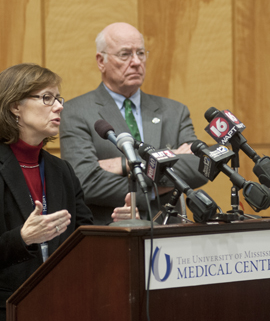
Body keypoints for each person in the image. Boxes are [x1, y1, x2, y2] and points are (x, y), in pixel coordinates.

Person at [0, 63, 136, 321]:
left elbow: (80, 241)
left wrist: (116, 227)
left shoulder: (60, 170)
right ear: (15, 106)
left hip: (56, 312)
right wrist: (23, 238)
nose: (59, 106)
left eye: (58, 98)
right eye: (47, 98)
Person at [59, 22, 208, 224]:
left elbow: (200, 167)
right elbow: (85, 182)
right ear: (101, 61)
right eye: (125, 54)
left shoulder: (174, 111)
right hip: (112, 233)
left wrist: (123, 165)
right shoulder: (76, 112)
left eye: (141, 53)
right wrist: (166, 174)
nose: (136, 62)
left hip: (169, 232)